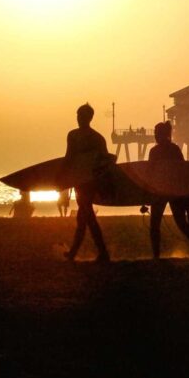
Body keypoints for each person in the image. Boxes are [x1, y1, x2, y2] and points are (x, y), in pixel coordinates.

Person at [148, 121, 189, 260]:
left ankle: (156, 256)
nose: (155, 137)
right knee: (181, 223)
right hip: (174, 190)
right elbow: (182, 170)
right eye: (155, 134)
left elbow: (150, 173)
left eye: (157, 134)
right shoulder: (175, 149)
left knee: (155, 225)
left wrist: (146, 194)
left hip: (160, 190)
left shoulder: (154, 151)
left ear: (163, 135)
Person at [63, 103, 111, 262]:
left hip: (89, 182)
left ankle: (84, 253)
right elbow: (69, 158)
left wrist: (61, 177)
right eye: (77, 115)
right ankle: (77, 253)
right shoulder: (79, 136)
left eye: (81, 116)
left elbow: (103, 162)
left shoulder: (93, 138)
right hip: (80, 182)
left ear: (89, 117)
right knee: (84, 218)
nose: (78, 118)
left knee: (86, 216)